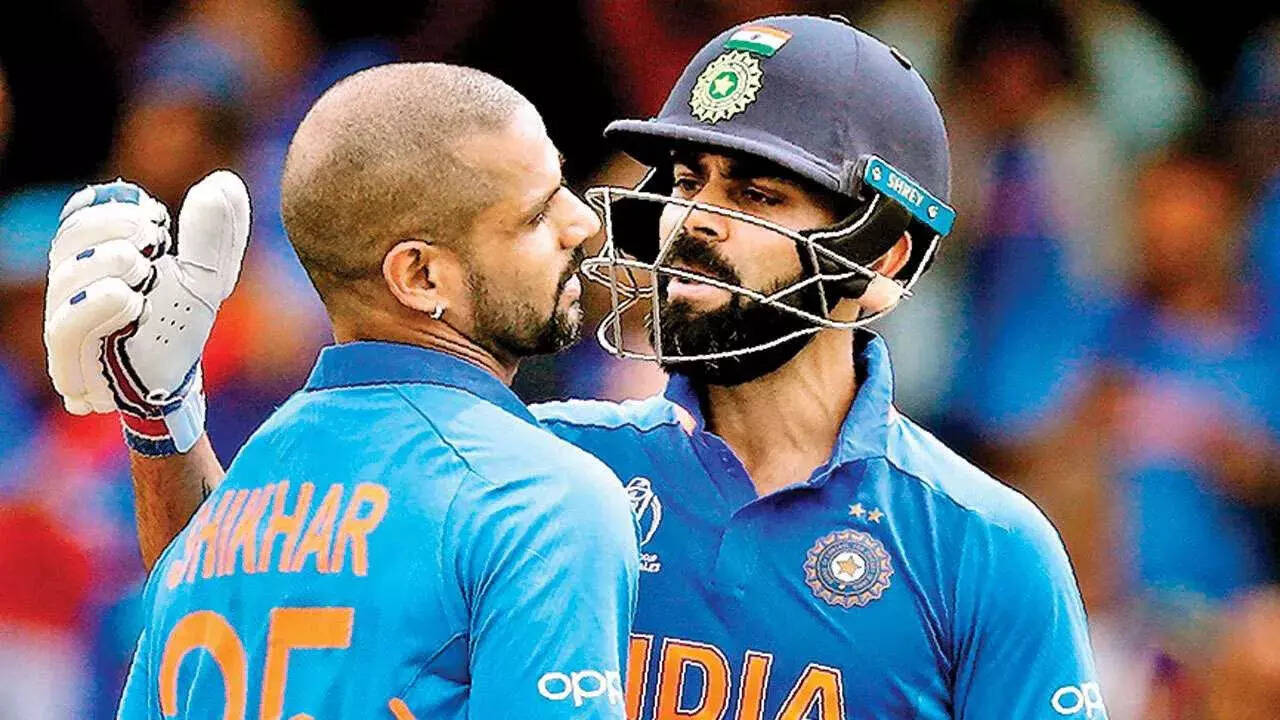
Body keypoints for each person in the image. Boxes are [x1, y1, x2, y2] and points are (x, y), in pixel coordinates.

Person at [50, 17, 1103, 719]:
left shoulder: (984, 548)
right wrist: (162, 420)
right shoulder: (542, 462)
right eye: (686, 179)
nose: (690, 222)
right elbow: (240, 589)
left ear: (882, 260)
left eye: (756, 194)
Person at [43, 63, 637, 718]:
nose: (582, 222)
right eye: (535, 213)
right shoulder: (543, 499)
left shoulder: (221, 514)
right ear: (420, 276)